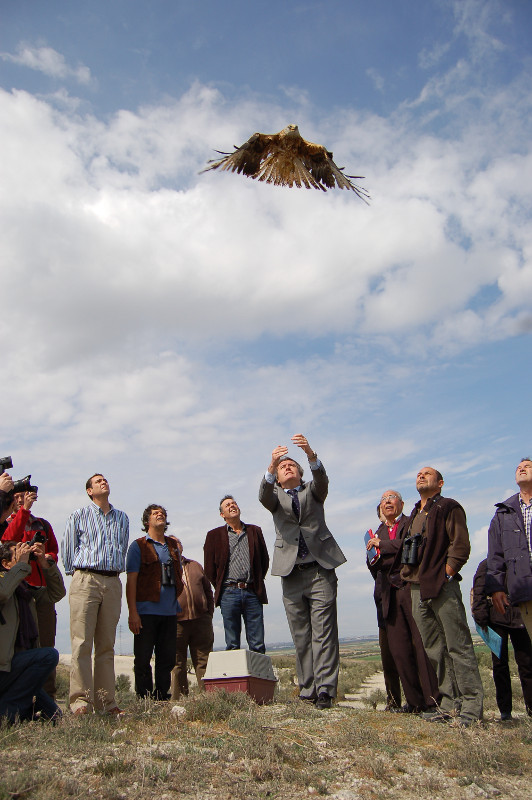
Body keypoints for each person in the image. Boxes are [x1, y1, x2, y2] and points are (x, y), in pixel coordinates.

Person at [259, 434, 346, 710]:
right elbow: (263, 494)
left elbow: (322, 480)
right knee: (301, 636)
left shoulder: (314, 491)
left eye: (291, 465)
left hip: (320, 570)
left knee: (323, 633)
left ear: (300, 472)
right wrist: (271, 465)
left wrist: (310, 454)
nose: (287, 467)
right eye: (282, 467)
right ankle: (307, 689)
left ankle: (325, 691)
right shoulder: (274, 499)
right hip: (291, 574)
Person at [391, 467, 483, 726]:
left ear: (440, 483)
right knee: (434, 649)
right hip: (416, 587)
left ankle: (471, 708)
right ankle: (450, 704)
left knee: (458, 645)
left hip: (441, 585)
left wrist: (446, 573)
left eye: (428, 474)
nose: (421, 476)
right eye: (419, 474)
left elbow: (461, 545)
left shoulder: (448, 507)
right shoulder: (413, 516)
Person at [61, 473, 129, 715]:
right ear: (90, 490)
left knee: (106, 645)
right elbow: (68, 549)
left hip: (112, 581)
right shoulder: (79, 515)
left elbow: (121, 546)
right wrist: (77, 573)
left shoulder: (122, 518)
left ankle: (106, 702)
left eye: (105, 479)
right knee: (81, 643)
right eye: (98, 481)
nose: (104, 482)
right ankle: (80, 702)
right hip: (86, 579)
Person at [367, 491, 440, 713]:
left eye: (392, 497)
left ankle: (432, 702)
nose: (388, 501)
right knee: (399, 651)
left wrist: (384, 547)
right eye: (383, 499)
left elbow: (415, 546)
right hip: (388, 595)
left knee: (421, 646)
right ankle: (414, 702)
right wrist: (386, 552)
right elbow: (373, 564)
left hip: (411, 589)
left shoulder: (412, 522)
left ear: (402, 503)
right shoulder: (375, 532)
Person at [2, 490, 60, 698]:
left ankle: (47, 697)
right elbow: (6, 541)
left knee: (46, 645)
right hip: (16, 590)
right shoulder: (6, 521)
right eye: (17, 497)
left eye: (24, 497)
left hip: (40, 590)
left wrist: (44, 556)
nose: (21, 500)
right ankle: (21, 698)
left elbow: (54, 550)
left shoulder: (41, 524)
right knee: (20, 647)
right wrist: (23, 512)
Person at [0, 540, 65, 724]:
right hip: (3, 667)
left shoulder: (25, 592)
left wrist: (46, 565)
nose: (24, 559)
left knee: (54, 716)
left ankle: (17, 712)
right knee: (48, 656)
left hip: (17, 669)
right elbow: (3, 594)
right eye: (17, 554)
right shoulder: (4, 585)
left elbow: (56, 594)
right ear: (5, 564)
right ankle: (8, 714)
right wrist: (20, 566)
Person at [126, 505, 183, 700]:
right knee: (142, 658)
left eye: (163, 513)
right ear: (146, 521)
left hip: (169, 612)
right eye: (155, 513)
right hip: (145, 612)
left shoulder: (173, 546)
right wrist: (132, 612)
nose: (160, 515)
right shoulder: (138, 546)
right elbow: (131, 581)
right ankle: (143, 699)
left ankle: (161, 697)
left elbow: (178, 575)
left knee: (166, 659)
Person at [204, 495, 269, 654]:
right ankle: (236, 678)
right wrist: (222, 585)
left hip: (252, 591)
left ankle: (258, 677)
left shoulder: (254, 531)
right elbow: (209, 569)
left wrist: (257, 581)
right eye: (227, 505)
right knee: (232, 643)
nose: (232, 506)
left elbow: (264, 559)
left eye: (234, 503)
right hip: (229, 593)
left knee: (257, 644)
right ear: (222, 515)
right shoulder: (214, 535)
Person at [472, 558, 532, 720]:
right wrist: (480, 615)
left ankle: (531, 709)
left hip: (520, 618)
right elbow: (479, 591)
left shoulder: (522, 562)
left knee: (527, 664)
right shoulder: (487, 564)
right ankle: (505, 711)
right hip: (496, 618)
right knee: (500, 666)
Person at [487, 458, 532, 642]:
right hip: (525, 587)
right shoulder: (503, 513)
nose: (522, 469)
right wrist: (496, 587)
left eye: (528, 466)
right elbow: (495, 553)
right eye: (519, 468)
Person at [169, 538, 214, 700]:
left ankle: (208, 698)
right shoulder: (163, 567)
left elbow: (208, 591)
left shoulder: (195, 565)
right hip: (175, 623)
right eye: (171, 543)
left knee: (204, 661)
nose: (175, 546)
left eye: (178, 542)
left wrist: (209, 614)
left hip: (200, 621)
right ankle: (180, 700)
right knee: (176, 664)